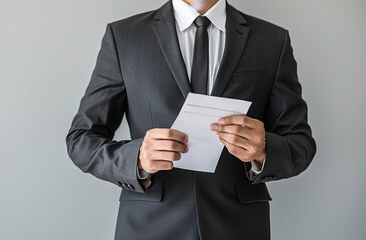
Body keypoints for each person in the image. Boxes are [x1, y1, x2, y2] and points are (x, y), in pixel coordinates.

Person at [66, 0, 316, 239]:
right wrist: (137, 158)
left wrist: (263, 150)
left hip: (238, 227)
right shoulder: (124, 36)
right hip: (150, 226)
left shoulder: (271, 40)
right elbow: (81, 139)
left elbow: (300, 143)